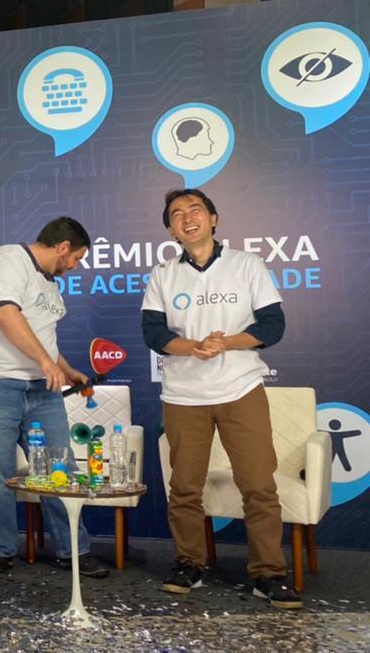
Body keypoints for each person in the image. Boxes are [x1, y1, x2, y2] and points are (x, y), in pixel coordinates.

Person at [141, 189, 301, 609]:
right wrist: (193, 347)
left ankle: (268, 574)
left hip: (240, 390)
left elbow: (273, 325)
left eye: (195, 210)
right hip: (183, 396)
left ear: (214, 218)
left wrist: (225, 343)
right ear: (171, 229)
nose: (187, 218)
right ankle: (188, 564)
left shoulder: (247, 265)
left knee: (259, 486)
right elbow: (154, 335)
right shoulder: (163, 275)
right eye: (177, 214)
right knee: (184, 488)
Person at [0, 216, 110, 578]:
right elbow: (6, 314)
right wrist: (44, 362)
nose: (75, 267)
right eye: (76, 258)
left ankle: (74, 551)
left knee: (60, 469)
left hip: (40, 388)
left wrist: (64, 368)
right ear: (63, 247)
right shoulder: (8, 259)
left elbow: (40, 335)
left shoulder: (51, 285)